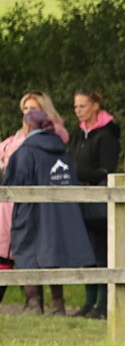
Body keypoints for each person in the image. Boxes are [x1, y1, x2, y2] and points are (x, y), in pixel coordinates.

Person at [2, 110, 95, 314]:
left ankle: (33, 304)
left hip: (30, 212)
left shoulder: (26, 151)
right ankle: (58, 304)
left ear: (27, 127)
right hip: (59, 212)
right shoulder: (61, 150)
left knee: (27, 253)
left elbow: (13, 184)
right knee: (54, 255)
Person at [1, 92, 70, 308]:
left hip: (39, 201)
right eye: (25, 109)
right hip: (14, 202)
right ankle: (32, 300)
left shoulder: (52, 134)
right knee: (21, 248)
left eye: (33, 108)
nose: (28, 113)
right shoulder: (20, 136)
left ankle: (55, 302)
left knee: (46, 249)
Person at [67, 89, 121, 319]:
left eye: (82, 106)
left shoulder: (106, 135)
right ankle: (89, 302)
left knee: (101, 252)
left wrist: (79, 173)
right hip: (79, 198)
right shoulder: (77, 134)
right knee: (85, 252)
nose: (78, 111)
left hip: (98, 200)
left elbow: (107, 170)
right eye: (76, 107)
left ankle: (103, 304)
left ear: (95, 106)